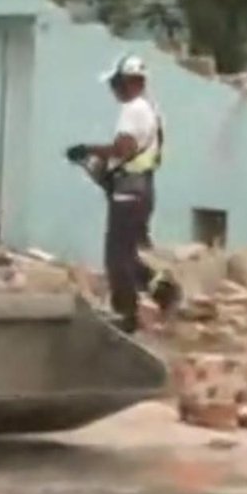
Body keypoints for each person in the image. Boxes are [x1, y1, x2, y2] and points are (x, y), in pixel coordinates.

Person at [65, 54, 179, 333]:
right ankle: (164, 292)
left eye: (116, 82)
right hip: (140, 191)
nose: (113, 89)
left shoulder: (133, 110)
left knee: (116, 257)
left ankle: (125, 315)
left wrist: (88, 150)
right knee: (127, 255)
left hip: (129, 195)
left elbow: (123, 149)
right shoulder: (150, 108)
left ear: (128, 82)